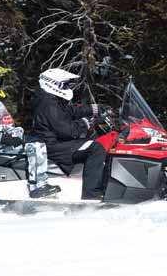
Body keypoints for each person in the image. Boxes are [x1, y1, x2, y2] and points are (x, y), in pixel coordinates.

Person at [0, 64, 60, 198]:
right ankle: (38, 186)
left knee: (36, 140)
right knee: (36, 146)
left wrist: (20, 135)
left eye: (0, 81)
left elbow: (3, 127)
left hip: (0, 144)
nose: (0, 84)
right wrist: (8, 139)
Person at [31, 68, 109, 199]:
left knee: (94, 144)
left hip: (54, 142)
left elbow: (70, 111)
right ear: (53, 84)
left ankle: (101, 188)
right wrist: (87, 123)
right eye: (65, 85)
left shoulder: (51, 99)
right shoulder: (48, 104)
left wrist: (94, 109)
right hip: (51, 145)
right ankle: (92, 195)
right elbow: (68, 130)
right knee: (95, 148)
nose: (67, 88)